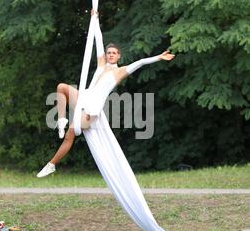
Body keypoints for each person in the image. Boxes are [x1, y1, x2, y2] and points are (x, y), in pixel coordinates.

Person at [37, 10, 175, 177]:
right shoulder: (101, 64)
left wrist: (158, 57)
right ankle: (61, 119)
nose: (110, 55)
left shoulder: (120, 72)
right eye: (109, 53)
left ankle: (52, 164)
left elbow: (140, 62)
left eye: (114, 53)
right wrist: (95, 19)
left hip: (92, 109)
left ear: (118, 56)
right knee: (61, 87)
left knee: (70, 135)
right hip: (83, 97)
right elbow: (99, 41)